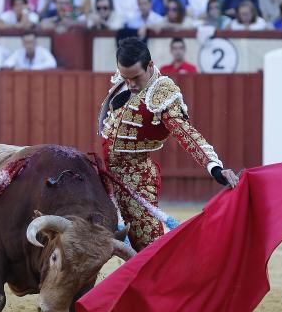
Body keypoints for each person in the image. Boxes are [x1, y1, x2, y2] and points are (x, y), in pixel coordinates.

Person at [98, 36, 239, 250]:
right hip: (106, 175)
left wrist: (215, 168)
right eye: (126, 78)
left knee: (148, 247)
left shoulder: (161, 93)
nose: (131, 84)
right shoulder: (127, 78)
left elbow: (187, 134)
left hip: (135, 182)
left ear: (151, 65)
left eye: (136, 77)